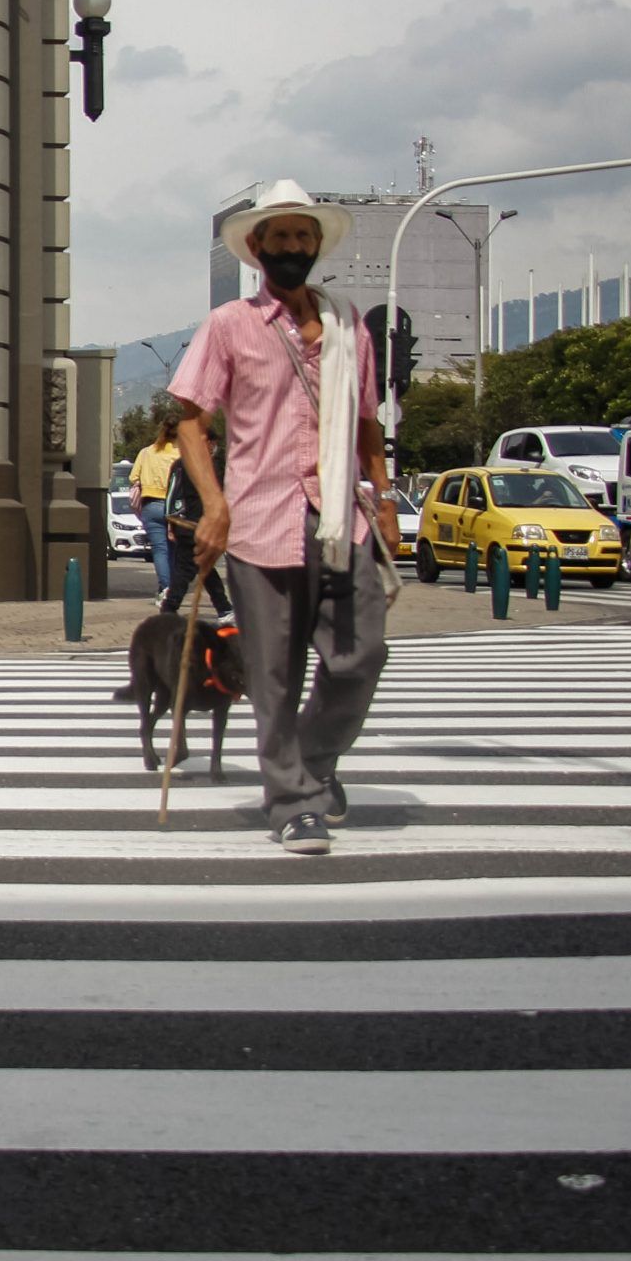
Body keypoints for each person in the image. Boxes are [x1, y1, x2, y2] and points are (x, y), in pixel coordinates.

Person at [168, 178, 399, 854]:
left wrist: (384, 501)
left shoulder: (348, 325)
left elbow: (366, 425)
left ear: (316, 245)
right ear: (258, 248)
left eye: (304, 236)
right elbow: (190, 422)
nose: (293, 247)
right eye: (281, 237)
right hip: (261, 519)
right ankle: (295, 800)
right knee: (273, 672)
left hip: (340, 518)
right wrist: (214, 505)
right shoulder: (229, 326)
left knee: (361, 656)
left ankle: (310, 759)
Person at [155, 441, 234, 620]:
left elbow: (171, 496)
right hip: (193, 525)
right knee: (185, 570)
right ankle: (169, 607)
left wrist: (171, 521)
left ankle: (224, 608)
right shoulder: (200, 466)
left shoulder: (181, 465)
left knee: (204, 567)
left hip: (187, 524)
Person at [127, 426, 180, 604]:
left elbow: (133, 477)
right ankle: (169, 588)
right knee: (173, 550)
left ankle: (165, 588)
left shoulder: (146, 452)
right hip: (174, 507)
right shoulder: (181, 454)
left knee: (159, 550)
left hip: (151, 504)